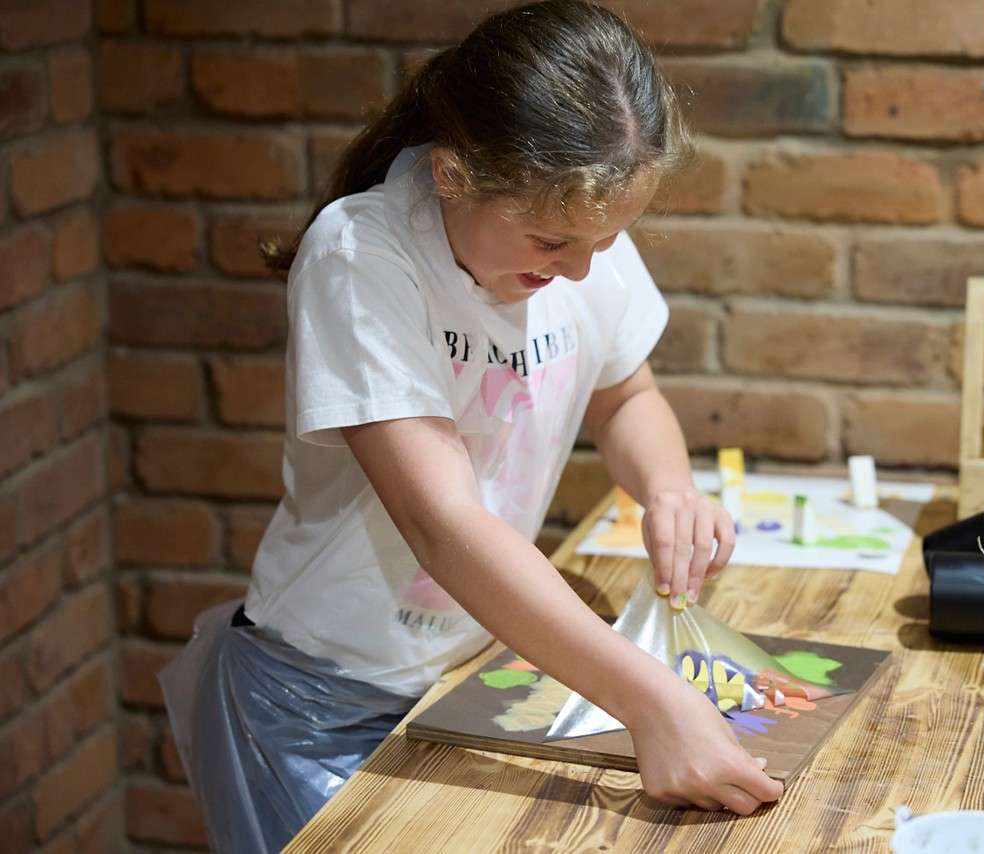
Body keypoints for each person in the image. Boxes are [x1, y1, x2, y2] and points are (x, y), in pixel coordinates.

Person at [160, 2, 782, 850]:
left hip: (471, 674)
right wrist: (651, 700)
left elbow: (624, 396)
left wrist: (670, 489)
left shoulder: (579, 234)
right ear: (452, 175)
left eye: (606, 242)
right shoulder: (361, 258)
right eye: (551, 241)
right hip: (323, 697)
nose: (580, 268)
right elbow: (442, 526)